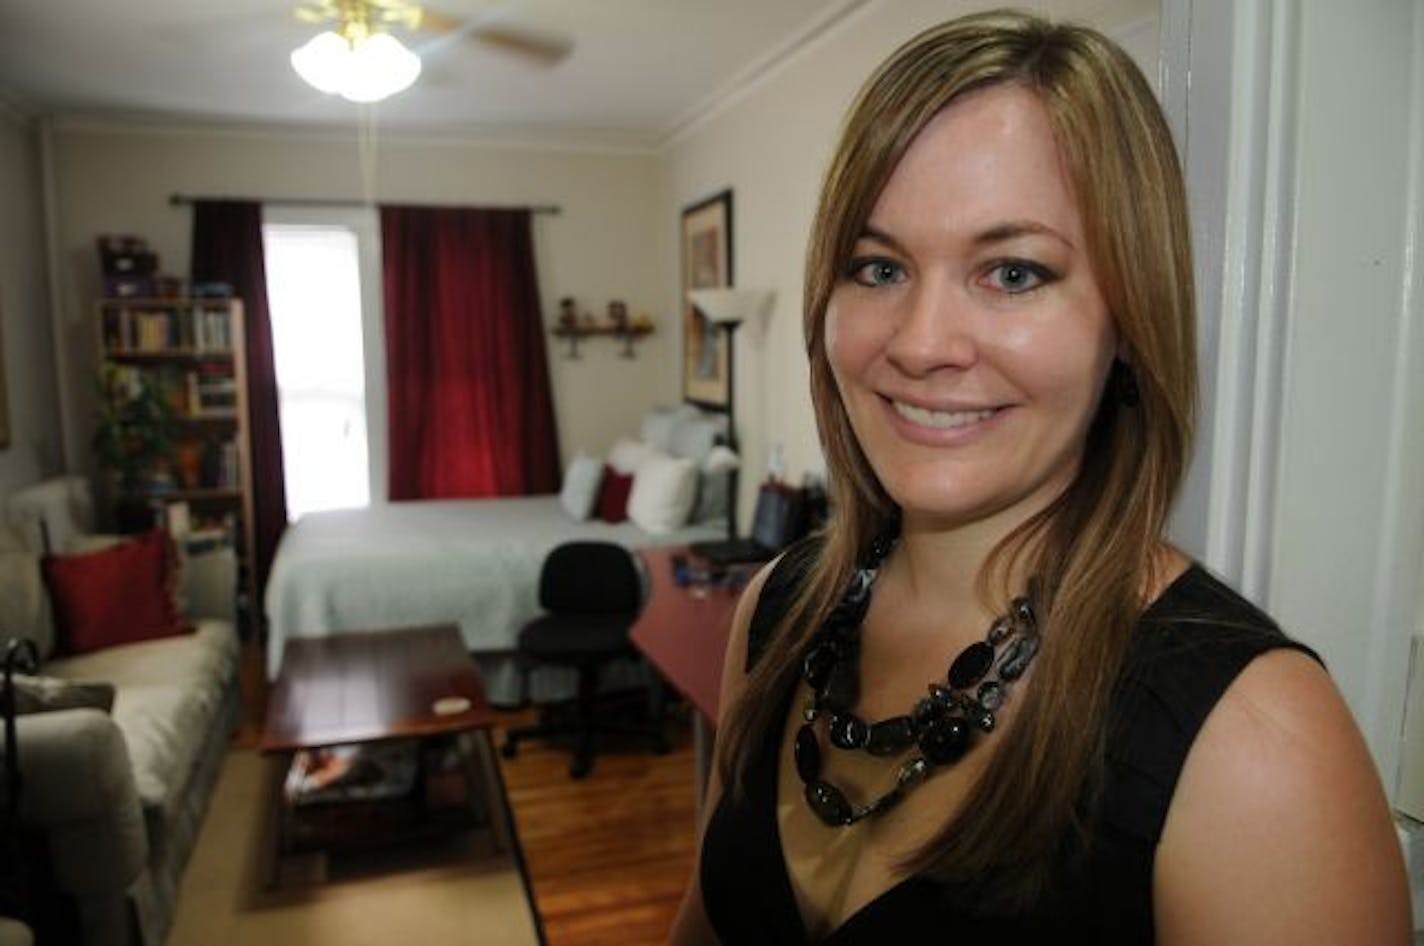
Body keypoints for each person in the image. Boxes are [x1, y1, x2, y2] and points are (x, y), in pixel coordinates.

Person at [669, 9, 1411, 944]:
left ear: (1131, 319)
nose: (921, 344)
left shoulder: (1257, 746)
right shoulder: (779, 609)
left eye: (1013, 273)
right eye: (878, 265)